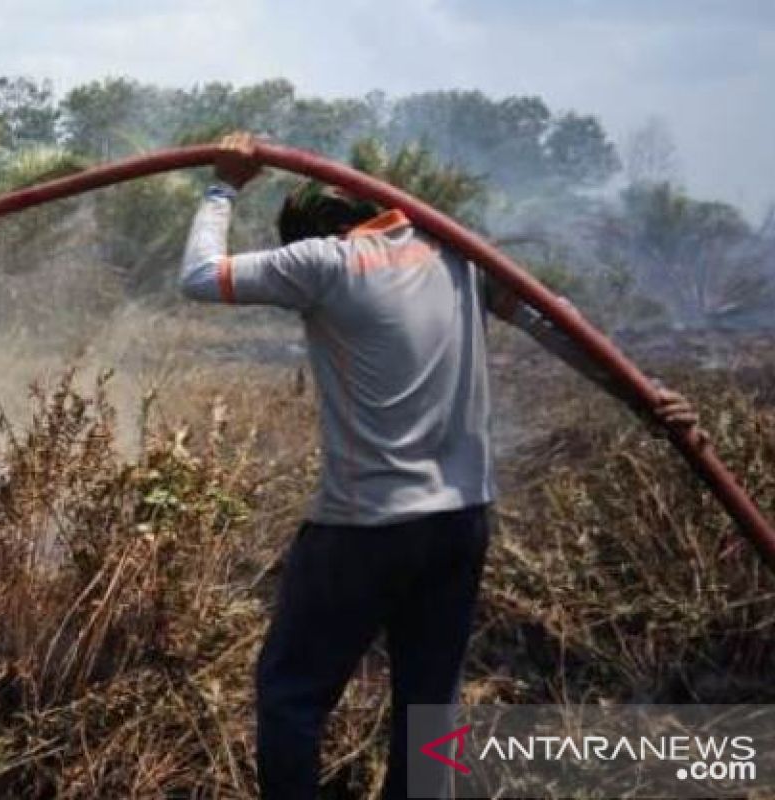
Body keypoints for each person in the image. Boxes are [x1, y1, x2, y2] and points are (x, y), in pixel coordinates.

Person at [179, 134, 702, 799]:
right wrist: (643, 396)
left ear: (317, 229)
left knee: (291, 694)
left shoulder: (327, 262)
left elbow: (200, 275)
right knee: (431, 710)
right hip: (459, 522)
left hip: (364, 524)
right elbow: (557, 322)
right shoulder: (460, 255)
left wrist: (223, 185)